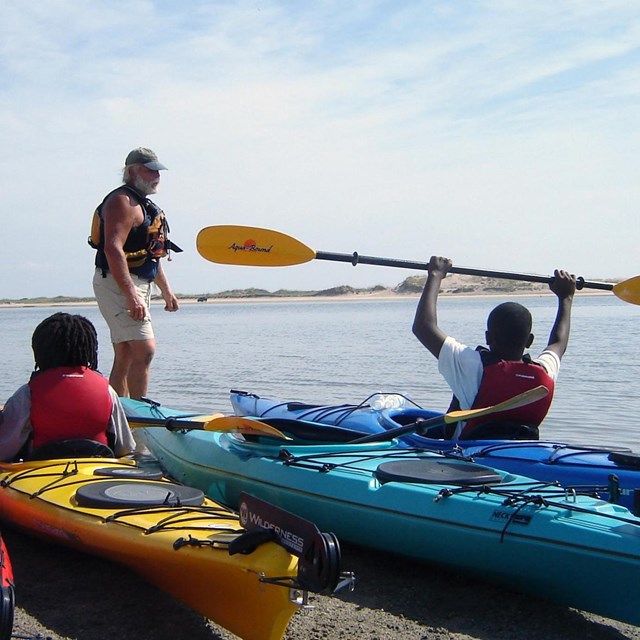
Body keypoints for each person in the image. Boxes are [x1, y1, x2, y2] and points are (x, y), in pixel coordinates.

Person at [412, 256, 577, 440]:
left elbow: (423, 327)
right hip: (518, 453)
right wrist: (566, 297)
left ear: (488, 337)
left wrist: (435, 274)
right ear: (529, 341)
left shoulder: (473, 367)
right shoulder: (544, 372)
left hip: (465, 457)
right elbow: (558, 343)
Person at [91, 147, 181, 399]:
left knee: (127, 353)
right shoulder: (122, 201)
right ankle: (141, 419)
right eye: (150, 170)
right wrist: (131, 295)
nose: (157, 176)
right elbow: (112, 247)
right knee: (145, 350)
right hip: (119, 284)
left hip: (138, 283)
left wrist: (166, 291)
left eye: (158, 171)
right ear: (132, 171)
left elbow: (152, 254)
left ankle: (120, 416)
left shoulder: (146, 206)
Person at [0, 313, 136, 462]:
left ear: (40, 351)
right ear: (88, 349)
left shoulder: (27, 393)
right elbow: (125, 448)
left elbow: (5, 450)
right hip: (95, 469)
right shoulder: (107, 391)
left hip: (39, 472)